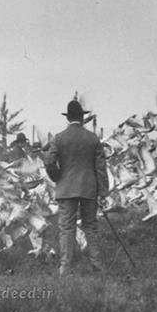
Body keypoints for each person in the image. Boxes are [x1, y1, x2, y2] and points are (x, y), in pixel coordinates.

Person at [46, 100, 109, 276]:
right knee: (90, 226)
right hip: (89, 189)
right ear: (81, 118)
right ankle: (97, 266)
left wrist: (58, 177)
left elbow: (49, 162)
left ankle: (65, 268)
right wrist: (103, 191)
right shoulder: (93, 138)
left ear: (68, 118)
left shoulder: (58, 138)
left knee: (67, 228)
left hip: (66, 189)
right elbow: (101, 168)